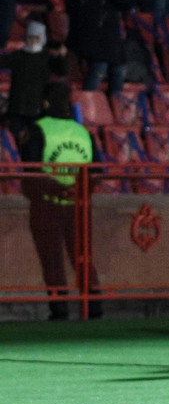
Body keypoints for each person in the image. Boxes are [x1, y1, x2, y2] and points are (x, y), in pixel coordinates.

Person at [20, 82, 101, 321]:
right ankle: (94, 306)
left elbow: (31, 169)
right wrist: (76, 189)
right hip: (79, 204)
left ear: (45, 102)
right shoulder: (82, 131)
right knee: (83, 257)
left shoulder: (38, 129)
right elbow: (97, 170)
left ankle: (60, 309)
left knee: (52, 257)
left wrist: (59, 188)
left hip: (47, 204)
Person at [67, 0, 141, 92]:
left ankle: (108, 106)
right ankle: (95, 105)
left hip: (97, 29)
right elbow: (124, 0)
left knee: (113, 67)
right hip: (102, 31)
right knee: (101, 69)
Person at [1, 21, 69, 136]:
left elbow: (62, 71)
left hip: (37, 107)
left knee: (34, 137)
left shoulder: (46, 56)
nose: (33, 41)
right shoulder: (18, 55)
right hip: (17, 107)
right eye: (30, 37)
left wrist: (62, 57)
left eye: (36, 38)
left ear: (42, 39)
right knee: (14, 137)